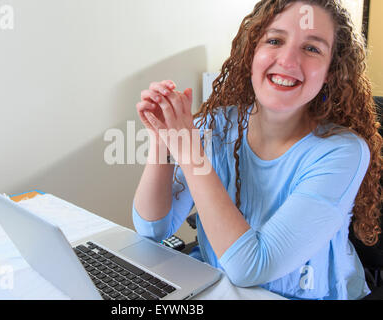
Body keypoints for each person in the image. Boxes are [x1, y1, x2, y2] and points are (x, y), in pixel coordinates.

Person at [132, 0, 382, 300]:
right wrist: (163, 138)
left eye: (312, 48)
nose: (288, 61)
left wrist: (188, 151)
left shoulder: (342, 152)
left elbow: (252, 267)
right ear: (252, 54)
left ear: (330, 71)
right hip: (220, 289)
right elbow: (152, 230)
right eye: (275, 40)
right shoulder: (217, 126)